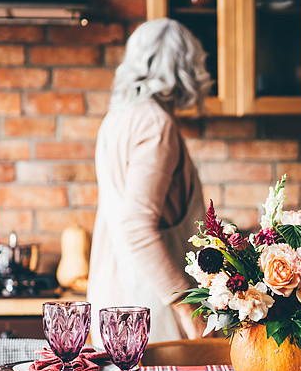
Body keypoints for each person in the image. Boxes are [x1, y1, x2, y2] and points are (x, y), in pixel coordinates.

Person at [87, 18, 212, 345]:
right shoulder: (156, 124)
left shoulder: (117, 118)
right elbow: (137, 227)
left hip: (113, 301)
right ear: (186, 67)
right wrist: (188, 309)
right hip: (151, 310)